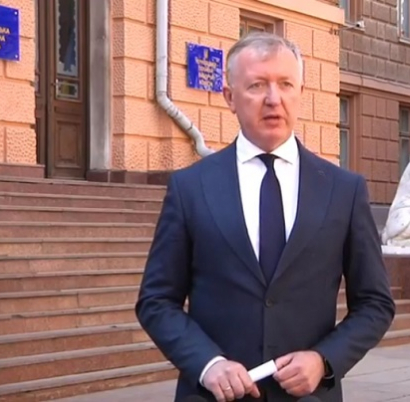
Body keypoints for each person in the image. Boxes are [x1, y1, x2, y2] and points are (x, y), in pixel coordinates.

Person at [135, 31, 396, 402]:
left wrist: (324, 360)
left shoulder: (343, 190)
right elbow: (156, 300)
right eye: (257, 85)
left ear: (301, 92)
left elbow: (375, 303)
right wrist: (208, 364)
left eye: (285, 84)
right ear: (230, 97)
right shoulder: (191, 187)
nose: (274, 99)